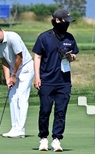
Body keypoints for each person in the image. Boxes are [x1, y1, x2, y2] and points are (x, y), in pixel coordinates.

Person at [32, 9, 79, 152]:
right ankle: (43, 139)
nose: (67, 24)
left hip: (63, 82)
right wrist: (37, 77)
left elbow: (73, 56)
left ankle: (57, 140)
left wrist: (71, 57)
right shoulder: (44, 37)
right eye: (66, 21)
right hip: (46, 80)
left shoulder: (70, 38)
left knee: (61, 112)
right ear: (57, 20)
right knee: (45, 111)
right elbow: (37, 57)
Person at [0, 23, 34, 138]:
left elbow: (19, 57)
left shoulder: (13, 37)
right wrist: (8, 78)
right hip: (14, 69)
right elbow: (4, 61)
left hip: (26, 68)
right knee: (12, 97)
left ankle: (20, 129)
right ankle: (14, 128)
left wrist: (13, 75)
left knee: (22, 97)